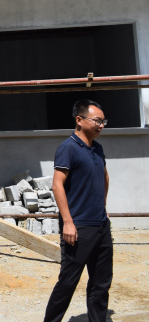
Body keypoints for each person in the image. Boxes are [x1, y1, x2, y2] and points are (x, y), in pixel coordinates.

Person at [44, 99, 112, 322]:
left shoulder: (98, 148)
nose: (101, 125)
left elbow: (104, 176)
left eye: (103, 121)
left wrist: (103, 207)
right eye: (97, 121)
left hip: (101, 226)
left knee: (101, 283)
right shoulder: (68, 148)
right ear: (79, 120)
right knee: (68, 282)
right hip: (79, 227)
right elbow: (57, 184)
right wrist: (68, 222)